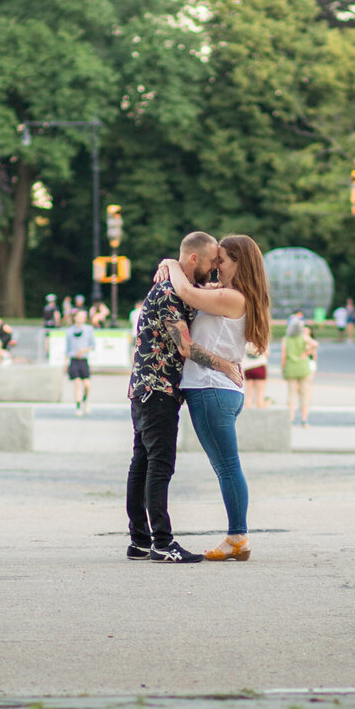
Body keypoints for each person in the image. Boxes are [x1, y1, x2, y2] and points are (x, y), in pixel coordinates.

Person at [156, 234, 271, 563]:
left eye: (222, 259)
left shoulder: (234, 297)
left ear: (240, 263)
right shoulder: (228, 295)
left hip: (211, 388)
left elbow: (186, 291)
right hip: (219, 389)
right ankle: (237, 535)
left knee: (227, 467)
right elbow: (195, 291)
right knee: (227, 466)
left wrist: (169, 263)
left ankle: (238, 536)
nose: (216, 265)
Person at [125, 232, 235, 565]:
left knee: (142, 465)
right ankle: (162, 542)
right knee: (159, 466)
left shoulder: (179, 287)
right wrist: (225, 365)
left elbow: (209, 291)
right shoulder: (169, 293)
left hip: (146, 387)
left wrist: (168, 262)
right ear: (193, 260)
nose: (216, 268)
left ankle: (140, 541)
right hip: (157, 390)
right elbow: (185, 346)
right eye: (213, 260)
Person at [281, 317, 318, 427]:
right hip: (303, 367)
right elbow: (315, 344)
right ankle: (304, 420)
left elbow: (283, 355)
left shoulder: (286, 339)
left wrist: (283, 368)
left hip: (291, 367)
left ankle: (291, 419)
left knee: (291, 395)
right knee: (305, 394)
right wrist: (307, 351)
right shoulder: (304, 337)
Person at [64, 308, 95, 414]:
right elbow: (67, 349)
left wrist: (84, 350)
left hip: (83, 360)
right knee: (77, 383)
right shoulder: (69, 331)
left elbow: (93, 345)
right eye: (79, 316)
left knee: (87, 384)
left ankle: (85, 400)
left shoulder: (89, 329)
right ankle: (78, 405)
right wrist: (65, 362)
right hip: (73, 360)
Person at [242, 340, 268, 410]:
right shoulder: (262, 340)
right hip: (260, 366)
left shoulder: (246, 340)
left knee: (249, 393)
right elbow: (267, 354)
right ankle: (259, 411)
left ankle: (248, 410)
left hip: (248, 367)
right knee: (260, 393)